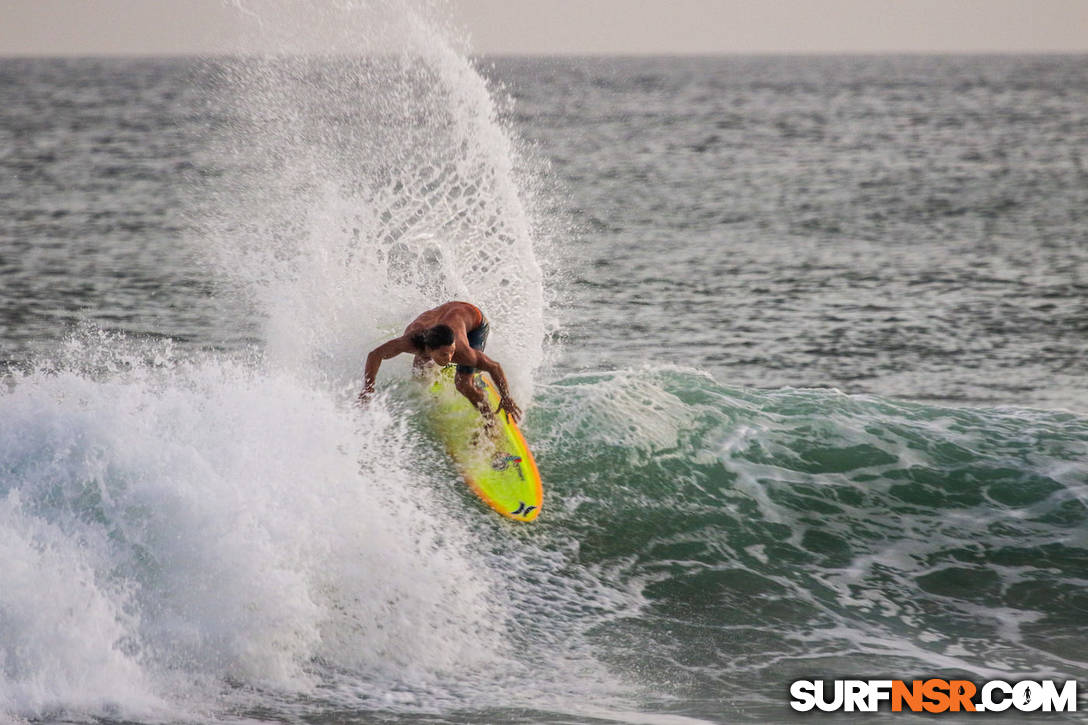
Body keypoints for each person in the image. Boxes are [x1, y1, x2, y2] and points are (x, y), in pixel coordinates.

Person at [358, 301, 522, 424]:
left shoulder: (461, 351)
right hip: (445, 315)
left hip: (474, 321)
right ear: (428, 349)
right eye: (444, 354)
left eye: (451, 352)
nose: (450, 358)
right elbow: (375, 355)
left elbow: (494, 366)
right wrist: (368, 388)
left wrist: (506, 397)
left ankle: (490, 421)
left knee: (463, 384)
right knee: (419, 373)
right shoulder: (409, 342)